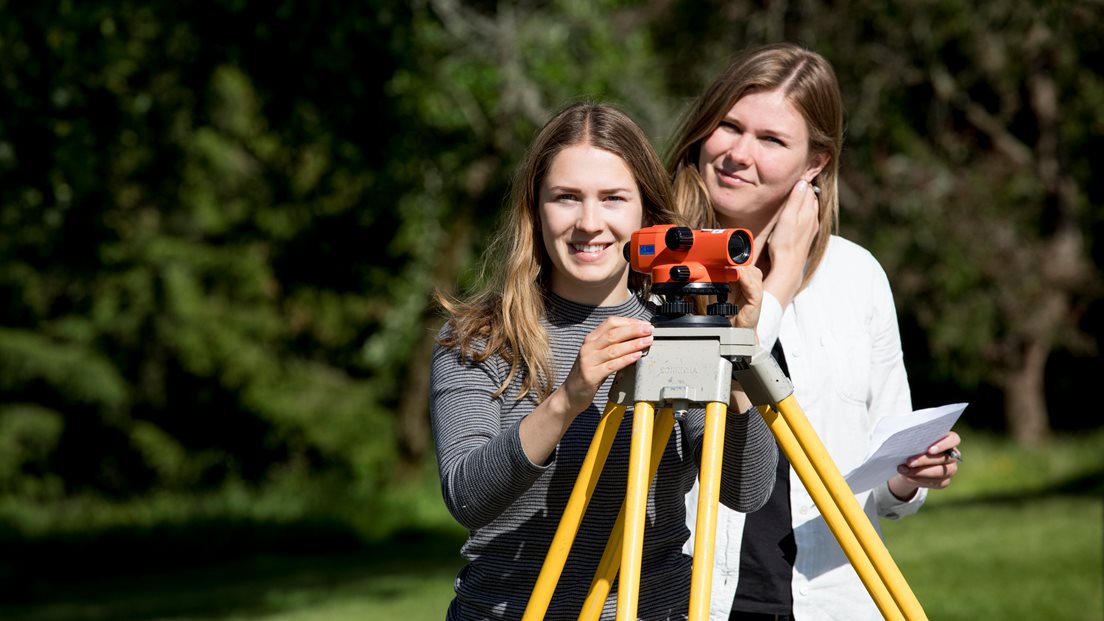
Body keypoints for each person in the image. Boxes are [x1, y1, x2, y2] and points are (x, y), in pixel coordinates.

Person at [429, 102, 779, 621]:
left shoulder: (677, 333)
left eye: (613, 198)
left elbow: (745, 490)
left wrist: (737, 350)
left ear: (645, 213)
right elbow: (467, 497)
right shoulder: (481, 337)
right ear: (535, 209)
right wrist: (567, 399)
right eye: (566, 198)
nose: (589, 224)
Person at [669, 43, 963, 620]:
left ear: (815, 164)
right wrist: (779, 282)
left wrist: (910, 476)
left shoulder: (857, 275)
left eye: (771, 140)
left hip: (832, 598)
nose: (738, 154)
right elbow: (711, 392)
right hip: (693, 594)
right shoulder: (662, 261)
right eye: (729, 126)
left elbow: (886, 478)